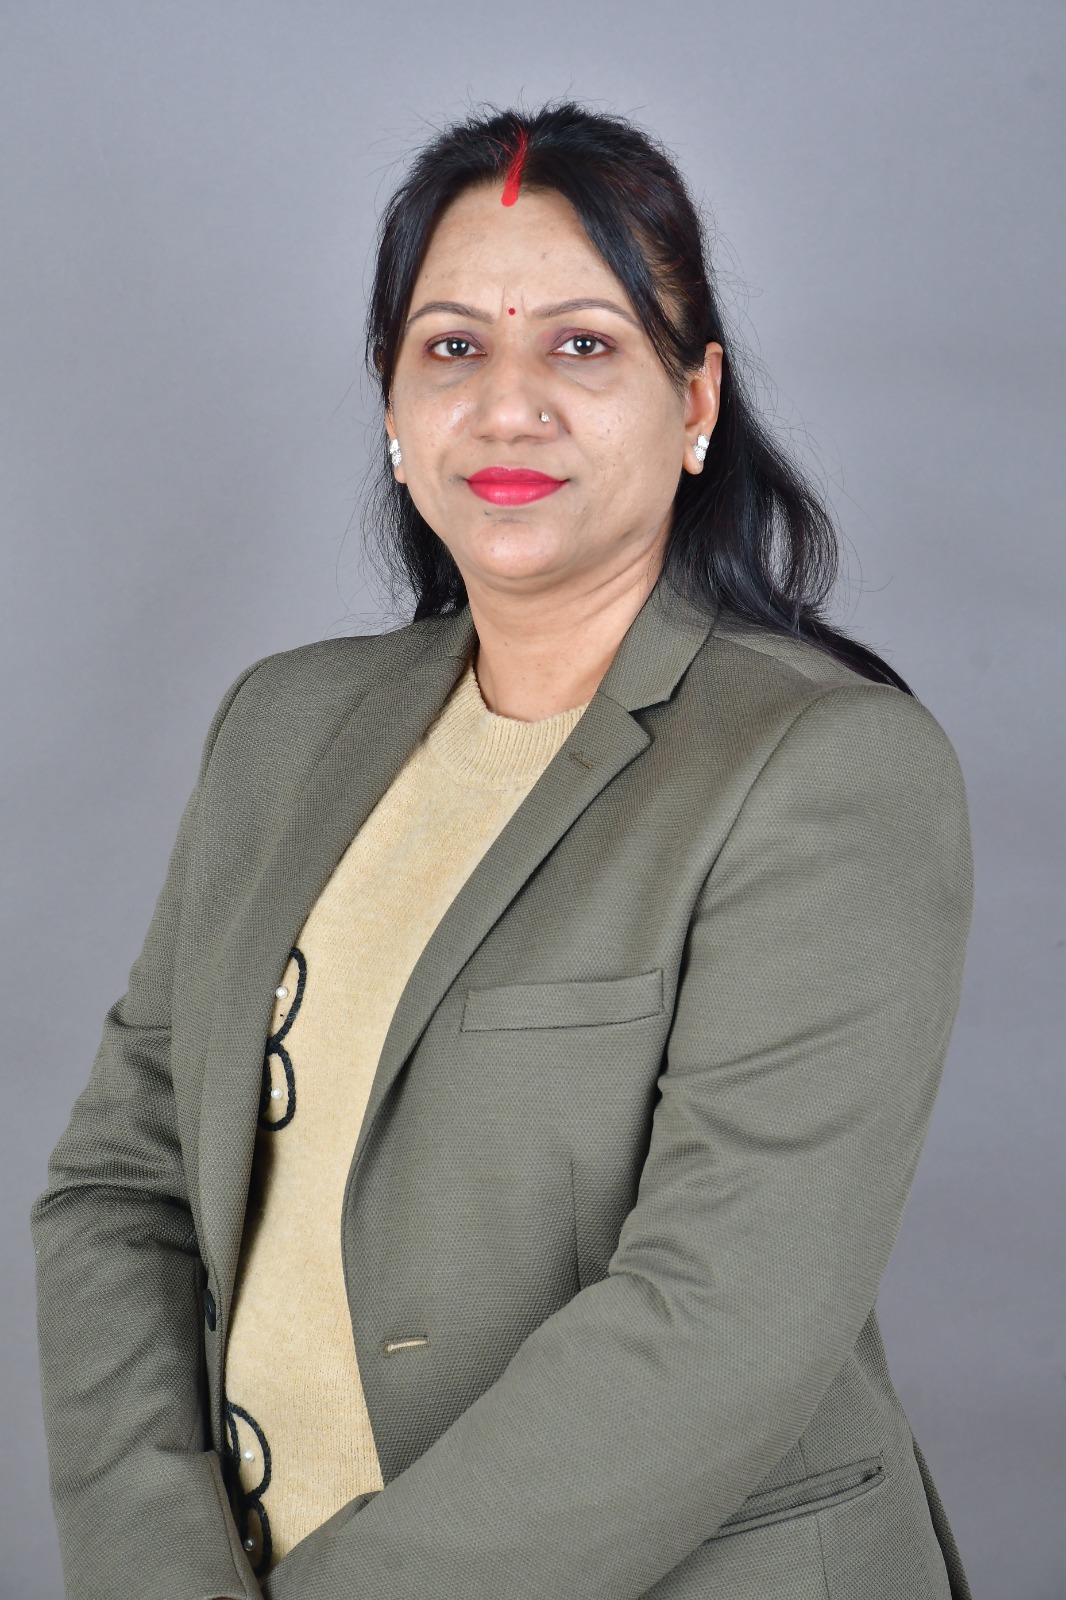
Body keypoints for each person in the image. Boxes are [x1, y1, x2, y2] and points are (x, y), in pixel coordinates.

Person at [31, 100, 974, 1600]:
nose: (508, 405)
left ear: (695, 401)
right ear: (393, 406)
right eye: (453, 347)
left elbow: (720, 1318)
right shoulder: (281, 730)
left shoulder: (824, 769)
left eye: (584, 345)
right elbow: (119, 1191)